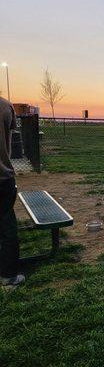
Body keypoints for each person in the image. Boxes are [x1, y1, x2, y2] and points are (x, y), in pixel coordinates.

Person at [0, 96, 24, 286]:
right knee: (7, 227)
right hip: (2, 177)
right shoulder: (5, 106)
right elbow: (10, 133)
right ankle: (8, 275)